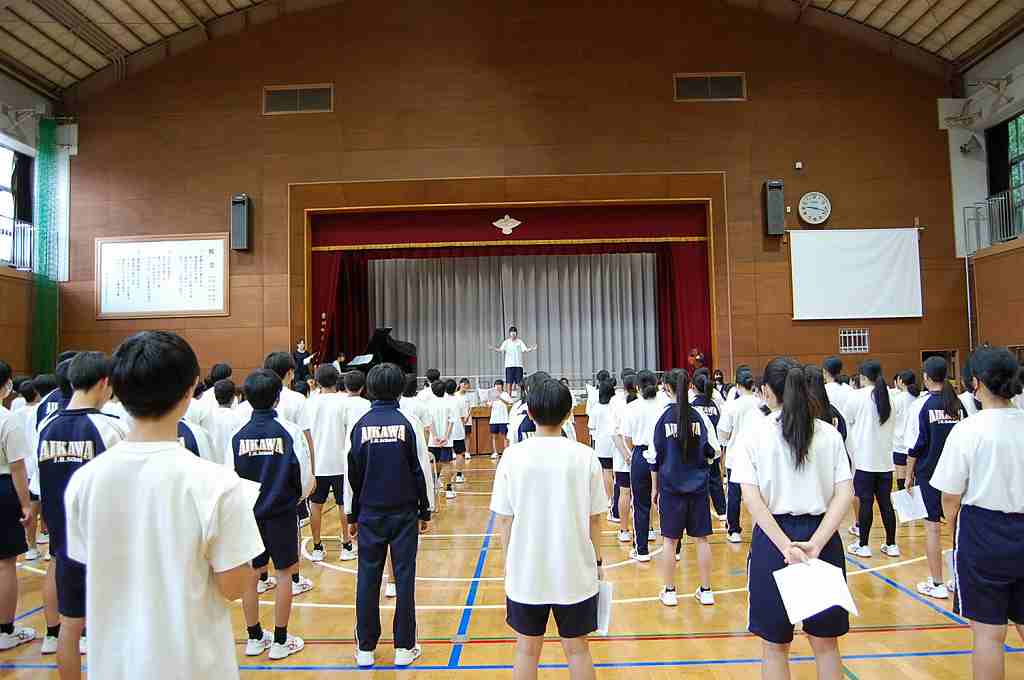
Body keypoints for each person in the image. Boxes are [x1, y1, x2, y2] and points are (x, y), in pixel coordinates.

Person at [62, 331, 264, 680]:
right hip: (193, 666)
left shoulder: (84, 481)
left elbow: (86, 563)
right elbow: (233, 586)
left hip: (115, 666)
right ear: (191, 389)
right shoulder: (216, 483)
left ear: (116, 389)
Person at [730, 357, 854, 680]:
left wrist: (786, 546)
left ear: (767, 392)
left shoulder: (754, 435)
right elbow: (844, 494)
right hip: (821, 539)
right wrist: (816, 544)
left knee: (774, 647)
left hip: (774, 541)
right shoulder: (828, 434)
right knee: (826, 645)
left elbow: (751, 499)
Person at [491, 378, 605, 680]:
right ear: (568, 414)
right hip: (575, 571)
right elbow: (595, 519)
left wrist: (509, 564)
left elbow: (504, 520)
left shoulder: (512, 457)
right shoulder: (585, 456)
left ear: (529, 412)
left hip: (526, 572)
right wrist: (597, 563)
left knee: (526, 650)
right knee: (578, 650)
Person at [930, 346, 1024, 680]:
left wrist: (952, 529)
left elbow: (949, 496)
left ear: (976, 383)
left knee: (988, 635)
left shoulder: (969, 430)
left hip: (983, 533)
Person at [35, 352, 129, 676]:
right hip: (107, 548)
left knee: (69, 628)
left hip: (64, 544)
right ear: (104, 383)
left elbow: (39, 486)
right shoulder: (110, 428)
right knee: (115, 628)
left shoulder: (45, 427)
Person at [346, 362, 434, 668]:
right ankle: (404, 647)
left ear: (370, 388)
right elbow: (421, 469)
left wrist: (351, 515)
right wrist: (425, 509)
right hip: (404, 513)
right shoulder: (409, 423)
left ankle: (366, 649)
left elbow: (351, 473)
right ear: (399, 389)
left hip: (369, 514)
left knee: (367, 577)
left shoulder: (359, 425)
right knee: (405, 577)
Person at [232, 368, 313, 660]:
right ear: (278, 397)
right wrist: (295, 498)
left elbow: (229, 477)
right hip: (281, 514)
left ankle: (254, 638)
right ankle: (280, 641)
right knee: (283, 574)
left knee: (251, 575)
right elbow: (305, 478)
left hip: (248, 516)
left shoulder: (237, 435)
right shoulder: (289, 431)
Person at [653, 368, 720, 607]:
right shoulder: (699, 417)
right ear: (689, 386)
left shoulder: (662, 418)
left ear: (667, 388)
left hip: (671, 488)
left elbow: (655, 454)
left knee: (670, 541)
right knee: (702, 540)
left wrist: (655, 487)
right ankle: (707, 590)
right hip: (698, 488)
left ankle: (670, 591)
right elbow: (714, 450)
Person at [907, 357, 966, 599]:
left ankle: (937, 583)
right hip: (957, 475)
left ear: (926, 377)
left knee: (932, 529)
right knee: (957, 529)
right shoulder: (958, 405)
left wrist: (908, 476)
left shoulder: (923, 406)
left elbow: (916, 445)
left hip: (930, 476)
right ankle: (958, 581)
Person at [845, 359, 901, 559]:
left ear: (862, 377)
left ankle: (863, 545)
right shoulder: (889, 397)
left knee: (866, 503)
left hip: (864, 462)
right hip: (885, 462)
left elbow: (848, 419)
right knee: (886, 504)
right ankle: (891, 544)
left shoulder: (858, 396)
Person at [303, 364, 356, 563]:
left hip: (317, 464)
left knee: (315, 505)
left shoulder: (310, 402)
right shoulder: (345, 401)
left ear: (317, 381)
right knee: (343, 504)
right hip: (340, 462)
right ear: (337, 379)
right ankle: (346, 545)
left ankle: (317, 547)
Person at [0, 360, 35, 649]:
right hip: (2, 488)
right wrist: (25, 504)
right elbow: (17, 467)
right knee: (4, 563)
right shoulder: (7, 419)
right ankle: (5, 630)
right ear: (6, 385)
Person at [617, 370, 664, 563]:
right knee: (666, 501)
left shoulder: (632, 408)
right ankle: (675, 549)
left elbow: (627, 438)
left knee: (641, 504)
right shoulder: (665, 405)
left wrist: (635, 452)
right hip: (663, 455)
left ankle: (642, 549)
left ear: (637, 387)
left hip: (641, 455)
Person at [716, 366, 761, 544]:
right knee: (758, 494)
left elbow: (723, 432)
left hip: (736, 456)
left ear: (737, 385)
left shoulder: (732, 406)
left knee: (734, 495)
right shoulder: (762, 404)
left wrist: (726, 441)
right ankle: (760, 528)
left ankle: (734, 530)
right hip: (757, 456)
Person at [691, 371, 726, 523]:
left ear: (694, 387)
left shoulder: (692, 405)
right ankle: (722, 511)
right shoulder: (714, 404)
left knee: (699, 481)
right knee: (715, 480)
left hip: (699, 450)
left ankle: (699, 512)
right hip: (714, 447)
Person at [588, 380, 616, 520]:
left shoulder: (596, 409)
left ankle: (610, 498)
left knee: (606, 472)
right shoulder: (615, 406)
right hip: (616, 443)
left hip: (602, 445)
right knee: (618, 473)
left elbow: (591, 427)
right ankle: (618, 498)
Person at [424, 381, 456, 500]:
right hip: (446, 441)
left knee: (434, 463)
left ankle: (434, 484)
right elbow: (451, 422)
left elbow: (429, 422)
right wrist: (445, 437)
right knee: (447, 464)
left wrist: (435, 436)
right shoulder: (449, 403)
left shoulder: (429, 404)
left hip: (433, 441)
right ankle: (448, 490)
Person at [891, 370, 920, 491]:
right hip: (916, 444)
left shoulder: (896, 399)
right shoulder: (919, 398)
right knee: (916, 480)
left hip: (899, 444)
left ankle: (905, 502)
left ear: (901, 382)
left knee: (902, 480)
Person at [205, 379, 242, 467]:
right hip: (230, 466)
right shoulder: (238, 418)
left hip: (211, 465)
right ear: (233, 398)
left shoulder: (207, 416)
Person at [490, 326, 537, 393]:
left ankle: (520, 397)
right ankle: (509, 397)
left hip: (518, 365)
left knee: (519, 383)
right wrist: (493, 348)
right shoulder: (506, 342)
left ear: (516, 334)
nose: (513, 335)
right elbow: (500, 349)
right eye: (512, 333)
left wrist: (532, 348)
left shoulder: (519, 342)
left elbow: (525, 349)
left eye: (514, 333)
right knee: (509, 383)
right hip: (509, 365)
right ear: (510, 334)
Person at [445, 380, 468, 484]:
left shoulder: (443, 400)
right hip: (457, 430)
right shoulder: (459, 400)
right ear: (456, 388)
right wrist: (462, 426)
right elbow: (463, 417)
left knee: (446, 456)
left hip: (445, 432)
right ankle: (459, 475)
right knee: (459, 453)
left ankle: (445, 480)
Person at [823, 356, 854, 421]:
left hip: (832, 426)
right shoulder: (849, 389)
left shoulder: (823, 390)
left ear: (825, 371)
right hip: (848, 425)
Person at [487, 379, 511, 460]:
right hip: (494, 419)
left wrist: (500, 398)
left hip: (503, 419)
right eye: (496, 385)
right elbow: (489, 405)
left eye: (499, 385)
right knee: (494, 436)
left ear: (502, 386)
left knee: (505, 436)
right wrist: (487, 402)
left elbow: (510, 403)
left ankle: (506, 452)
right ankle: (495, 452)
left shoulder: (505, 394)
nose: (497, 386)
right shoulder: (492, 395)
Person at [457, 378, 473, 461]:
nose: (465, 386)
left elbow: (471, 408)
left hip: (467, 419)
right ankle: (455, 452)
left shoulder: (469, 396)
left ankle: (467, 452)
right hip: (458, 419)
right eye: (464, 384)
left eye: (467, 385)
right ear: (460, 384)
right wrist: (460, 417)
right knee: (457, 436)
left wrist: (467, 417)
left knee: (467, 435)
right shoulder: (455, 395)